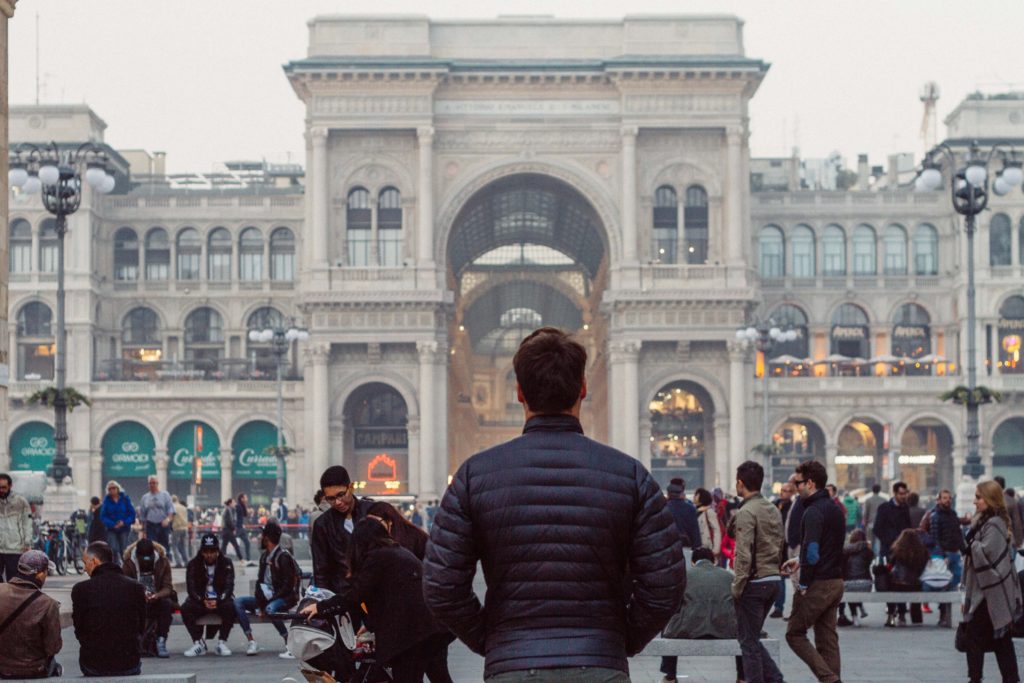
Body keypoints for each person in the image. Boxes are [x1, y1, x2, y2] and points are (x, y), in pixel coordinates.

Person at [423, 327, 685, 681]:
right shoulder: (630, 475)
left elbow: (441, 585)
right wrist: (617, 640)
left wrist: (494, 640)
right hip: (599, 664)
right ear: (583, 389)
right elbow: (665, 583)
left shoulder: (473, 476)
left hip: (512, 665)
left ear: (519, 393)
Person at [302, 519, 453, 683]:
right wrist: (370, 624)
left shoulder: (377, 557)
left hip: (414, 632)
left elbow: (356, 595)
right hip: (433, 627)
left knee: (407, 677)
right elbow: (393, 596)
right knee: (436, 677)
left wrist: (320, 607)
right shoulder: (397, 552)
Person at [782, 460, 845, 683]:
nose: (796, 488)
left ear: (810, 483)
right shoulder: (835, 509)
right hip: (836, 580)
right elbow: (830, 545)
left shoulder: (812, 511)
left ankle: (829, 678)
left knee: (794, 633)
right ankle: (833, 677)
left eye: (798, 483)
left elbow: (812, 551)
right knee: (827, 637)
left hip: (818, 583)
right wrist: (799, 559)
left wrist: (804, 583)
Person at [729, 460, 786, 683]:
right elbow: (780, 543)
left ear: (740, 483)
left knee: (748, 643)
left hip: (754, 582)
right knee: (751, 637)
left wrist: (737, 586)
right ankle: (777, 680)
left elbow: (743, 553)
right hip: (773, 580)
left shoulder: (747, 511)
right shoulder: (772, 509)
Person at [962, 480, 1022, 683]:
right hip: (988, 591)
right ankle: (1010, 678)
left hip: (990, 591)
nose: (974, 501)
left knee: (976, 637)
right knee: (1000, 639)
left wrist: (973, 546)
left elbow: (989, 555)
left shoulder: (994, 524)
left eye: (978, 497)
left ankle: (976, 678)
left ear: (989, 499)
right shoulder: (984, 522)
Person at [660, 547, 744, 683]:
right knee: (742, 631)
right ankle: (742, 677)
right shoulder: (728, 576)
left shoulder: (685, 575)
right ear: (714, 561)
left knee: (668, 626)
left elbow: (673, 604)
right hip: (724, 628)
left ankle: (670, 676)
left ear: (693, 562)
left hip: (690, 628)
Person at [72, 541, 147, 677]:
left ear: (94, 561)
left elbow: (79, 629)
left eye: (85, 563)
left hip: (93, 665)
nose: (84, 569)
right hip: (129, 663)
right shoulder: (135, 588)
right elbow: (141, 626)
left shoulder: (81, 590)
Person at [235, 521, 300, 658]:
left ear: (268, 538)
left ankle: (290, 643)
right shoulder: (264, 557)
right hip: (267, 599)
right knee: (238, 602)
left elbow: (288, 586)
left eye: (262, 535)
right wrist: (260, 603)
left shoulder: (283, 557)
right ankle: (251, 641)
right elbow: (260, 582)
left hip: (284, 598)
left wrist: (269, 601)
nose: (260, 538)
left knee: (271, 609)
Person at [311, 465, 374, 595]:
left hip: (377, 593)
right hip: (344, 597)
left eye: (341, 495)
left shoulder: (373, 511)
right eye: (331, 499)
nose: (338, 502)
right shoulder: (322, 525)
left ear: (351, 487)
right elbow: (321, 571)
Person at [0, 550, 62, 678]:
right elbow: (53, 647)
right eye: (46, 572)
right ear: (40, 575)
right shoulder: (48, 604)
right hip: (34, 669)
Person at [181, 532, 236, 657]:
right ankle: (198, 642)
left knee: (231, 607)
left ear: (217, 551)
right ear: (202, 552)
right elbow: (191, 588)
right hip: (201, 600)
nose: (209, 555)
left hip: (219, 600)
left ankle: (222, 642)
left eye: (212, 551)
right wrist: (202, 600)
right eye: (206, 551)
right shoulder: (193, 565)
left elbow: (229, 587)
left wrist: (218, 600)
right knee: (185, 608)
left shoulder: (226, 563)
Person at [122, 537, 174, 658]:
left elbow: (168, 587)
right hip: (136, 601)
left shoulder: (162, 561)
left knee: (166, 604)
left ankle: (161, 641)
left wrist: (157, 595)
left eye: (148, 560)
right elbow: (125, 587)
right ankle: (133, 642)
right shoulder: (129, 563)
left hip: (157, 599)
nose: (146, 563)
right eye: (143, 560)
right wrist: (140, 595)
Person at [873, 481, 912, 624]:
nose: (904, 496)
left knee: (901, 581)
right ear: (895, 493)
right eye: (901, 494)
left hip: (902, 551)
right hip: (888, 550)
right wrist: (889, 540)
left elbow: (908, 528)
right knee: (888, 581)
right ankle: (890, 613)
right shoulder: (884, 508)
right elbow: (877, 528)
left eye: (905, 493)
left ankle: (901, 613)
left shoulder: (905, 508)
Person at [885, 528, 928, 627]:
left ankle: (901, 615)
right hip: (915, 584)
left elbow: (890, 565)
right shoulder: (922, 551)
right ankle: (916, 618)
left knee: (893, 586)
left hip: (899, 583)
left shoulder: (897, 550)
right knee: (915, 586)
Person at [771, 479, 797, 618]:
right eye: (782, 490)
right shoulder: (774, 505)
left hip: (787, 546)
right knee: (777, 578)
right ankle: (778, 607)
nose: (783, 493)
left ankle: (789, 608)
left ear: (792, 493)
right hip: (774, 546)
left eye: (787, 491)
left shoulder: (793, 507)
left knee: (790, 577)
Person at [0, 473, 33, 582]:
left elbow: (27, 523)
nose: (1, 490)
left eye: (4, 487)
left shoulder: (20, 501)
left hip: (15, 549)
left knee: (14, 581)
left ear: (10, 486)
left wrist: (27, 543)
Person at [837, 528, 872, 627]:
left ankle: (854, 616)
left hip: (849, 584)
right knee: (853, 587)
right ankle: (860, 608)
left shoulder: (845, 551)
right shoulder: (868, 551)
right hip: (866, 584)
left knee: (847, 587)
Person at [99, 480, 136, 565]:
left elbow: (132, 513)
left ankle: (128, 566)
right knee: (113, 548)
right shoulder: (106, 501)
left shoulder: (125, 499)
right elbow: (103, 516)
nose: (112, 490)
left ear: (118, 489)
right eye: (110, 489)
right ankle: (116, 565)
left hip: (124, 528)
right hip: (111, 529)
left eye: (114, 488)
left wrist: (124, 522)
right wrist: (112, 524)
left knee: (124, 549)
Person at [665, 478, 702, 550]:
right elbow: (695, 533)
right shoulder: (690, 508)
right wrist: (696, 548)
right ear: (681, 492)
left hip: (666, 548)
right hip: (685, 548)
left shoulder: (661, 508)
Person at [139, 475, 174, 550]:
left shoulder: (165, 495)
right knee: (152, 546)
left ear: (158, 484)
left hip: (163, 525)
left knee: (164, 547)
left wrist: (167, 520)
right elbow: (142, 516)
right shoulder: (145, 497)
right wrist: (143, 531)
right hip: (150, 525)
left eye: (154, 483)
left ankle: (164, 560)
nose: (152, 485)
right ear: (148, 484)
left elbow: (171, 511)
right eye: (150, 483)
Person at [695, 487, 722, 560]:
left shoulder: (709, 512)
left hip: (708, 548)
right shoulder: (694, 511)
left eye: (697, 495)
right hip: (698, 548)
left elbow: (717, 530)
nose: (695, 497)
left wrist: (716, 549)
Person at [861, 483, 886, 548]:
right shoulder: (884, 500)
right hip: (882, 524)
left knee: (870, 541)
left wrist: (865, 523)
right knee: (881, 541)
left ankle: (870, 556)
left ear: (872, 490)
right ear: (879, 490)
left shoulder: (868, 500)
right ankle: (880, 556)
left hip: (870, 523)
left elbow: (865, 513)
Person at [170, 495, 189, 568]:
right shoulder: (183, 507)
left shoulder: (172, 507)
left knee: (174, 545)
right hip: (185, 528)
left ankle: (178, 562)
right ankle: (186, 561)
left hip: (176, 528)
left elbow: (171, 518)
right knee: (183, 546)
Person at [235, 493, 253, 564]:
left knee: (247, 543)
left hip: (241, 528)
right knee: (232, 544)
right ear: (242, 499)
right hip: (237, 528)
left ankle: (248, 559)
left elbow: (245, 515)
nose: (247, 499)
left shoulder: (242, 506)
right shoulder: (238, 506)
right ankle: (242, 559)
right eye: (245, 497)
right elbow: (235, 517)